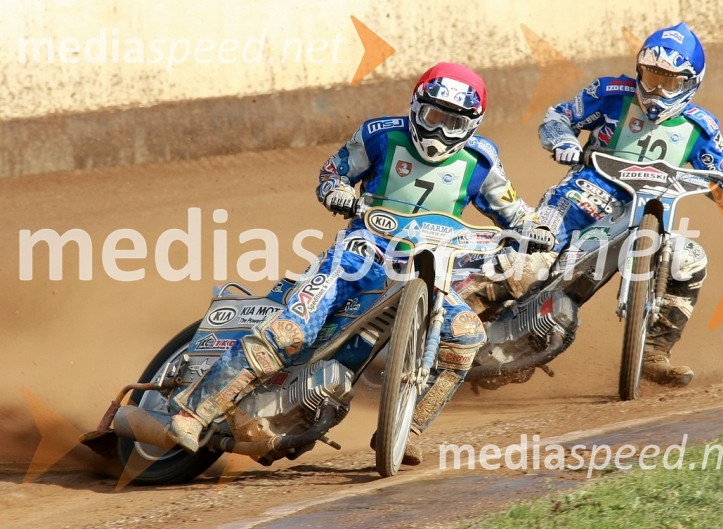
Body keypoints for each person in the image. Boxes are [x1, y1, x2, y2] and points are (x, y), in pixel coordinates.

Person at [166, 62, 554, 463]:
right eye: (434, 116)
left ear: (472, 124)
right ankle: (195, 411)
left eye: (452, 122)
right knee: (288, 332)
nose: (439, 131)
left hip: (431, 268)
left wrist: (536, 230)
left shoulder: (483, 160)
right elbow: (333, 171)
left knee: (467, 335)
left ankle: (411, 427)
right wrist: (336, 191)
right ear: (416, 106)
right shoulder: (379, 135)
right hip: (359, 254)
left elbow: (515, 213)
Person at [463, 22, 723, 387]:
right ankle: (455, 324)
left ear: (690, 83)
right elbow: (558, 116)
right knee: (531, 257)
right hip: (581, 195)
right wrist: (563, 140)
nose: (656, 90)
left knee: (689, 260)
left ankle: (654, 352)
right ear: (639, 70)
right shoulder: (610, 92)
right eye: (651, 76)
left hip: (650, 211)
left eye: (669, 82)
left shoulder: (702, 128)